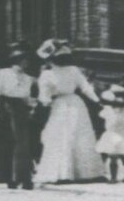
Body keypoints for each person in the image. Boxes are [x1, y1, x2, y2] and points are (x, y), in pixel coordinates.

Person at [33, 42, 104, 185]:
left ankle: (62, 173)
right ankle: (86, 172)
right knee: (80, 135)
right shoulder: (74, 70)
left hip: (59, 105)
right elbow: (86, 88)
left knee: (61, 137)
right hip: (76, 105)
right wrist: (97, 100)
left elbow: (44, 97)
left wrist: (44, 103)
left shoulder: (47, 74)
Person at [0, 44, 38, 190]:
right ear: (16, 60)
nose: (26, 63)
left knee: (21, 144)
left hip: (20, 112)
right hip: (4, 108)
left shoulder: (28, 78)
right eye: (23, 60)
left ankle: (20, 177)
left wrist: (32, 105)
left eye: (27, 60)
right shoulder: (3, 73)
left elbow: (26, 97)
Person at [95, 84, 124, 182]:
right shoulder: (109, 110)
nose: (120, 100)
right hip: (112, 135)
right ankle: (113, 177)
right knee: (113, 157)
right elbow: (101, 115)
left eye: (122, 96)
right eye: (117, 96)